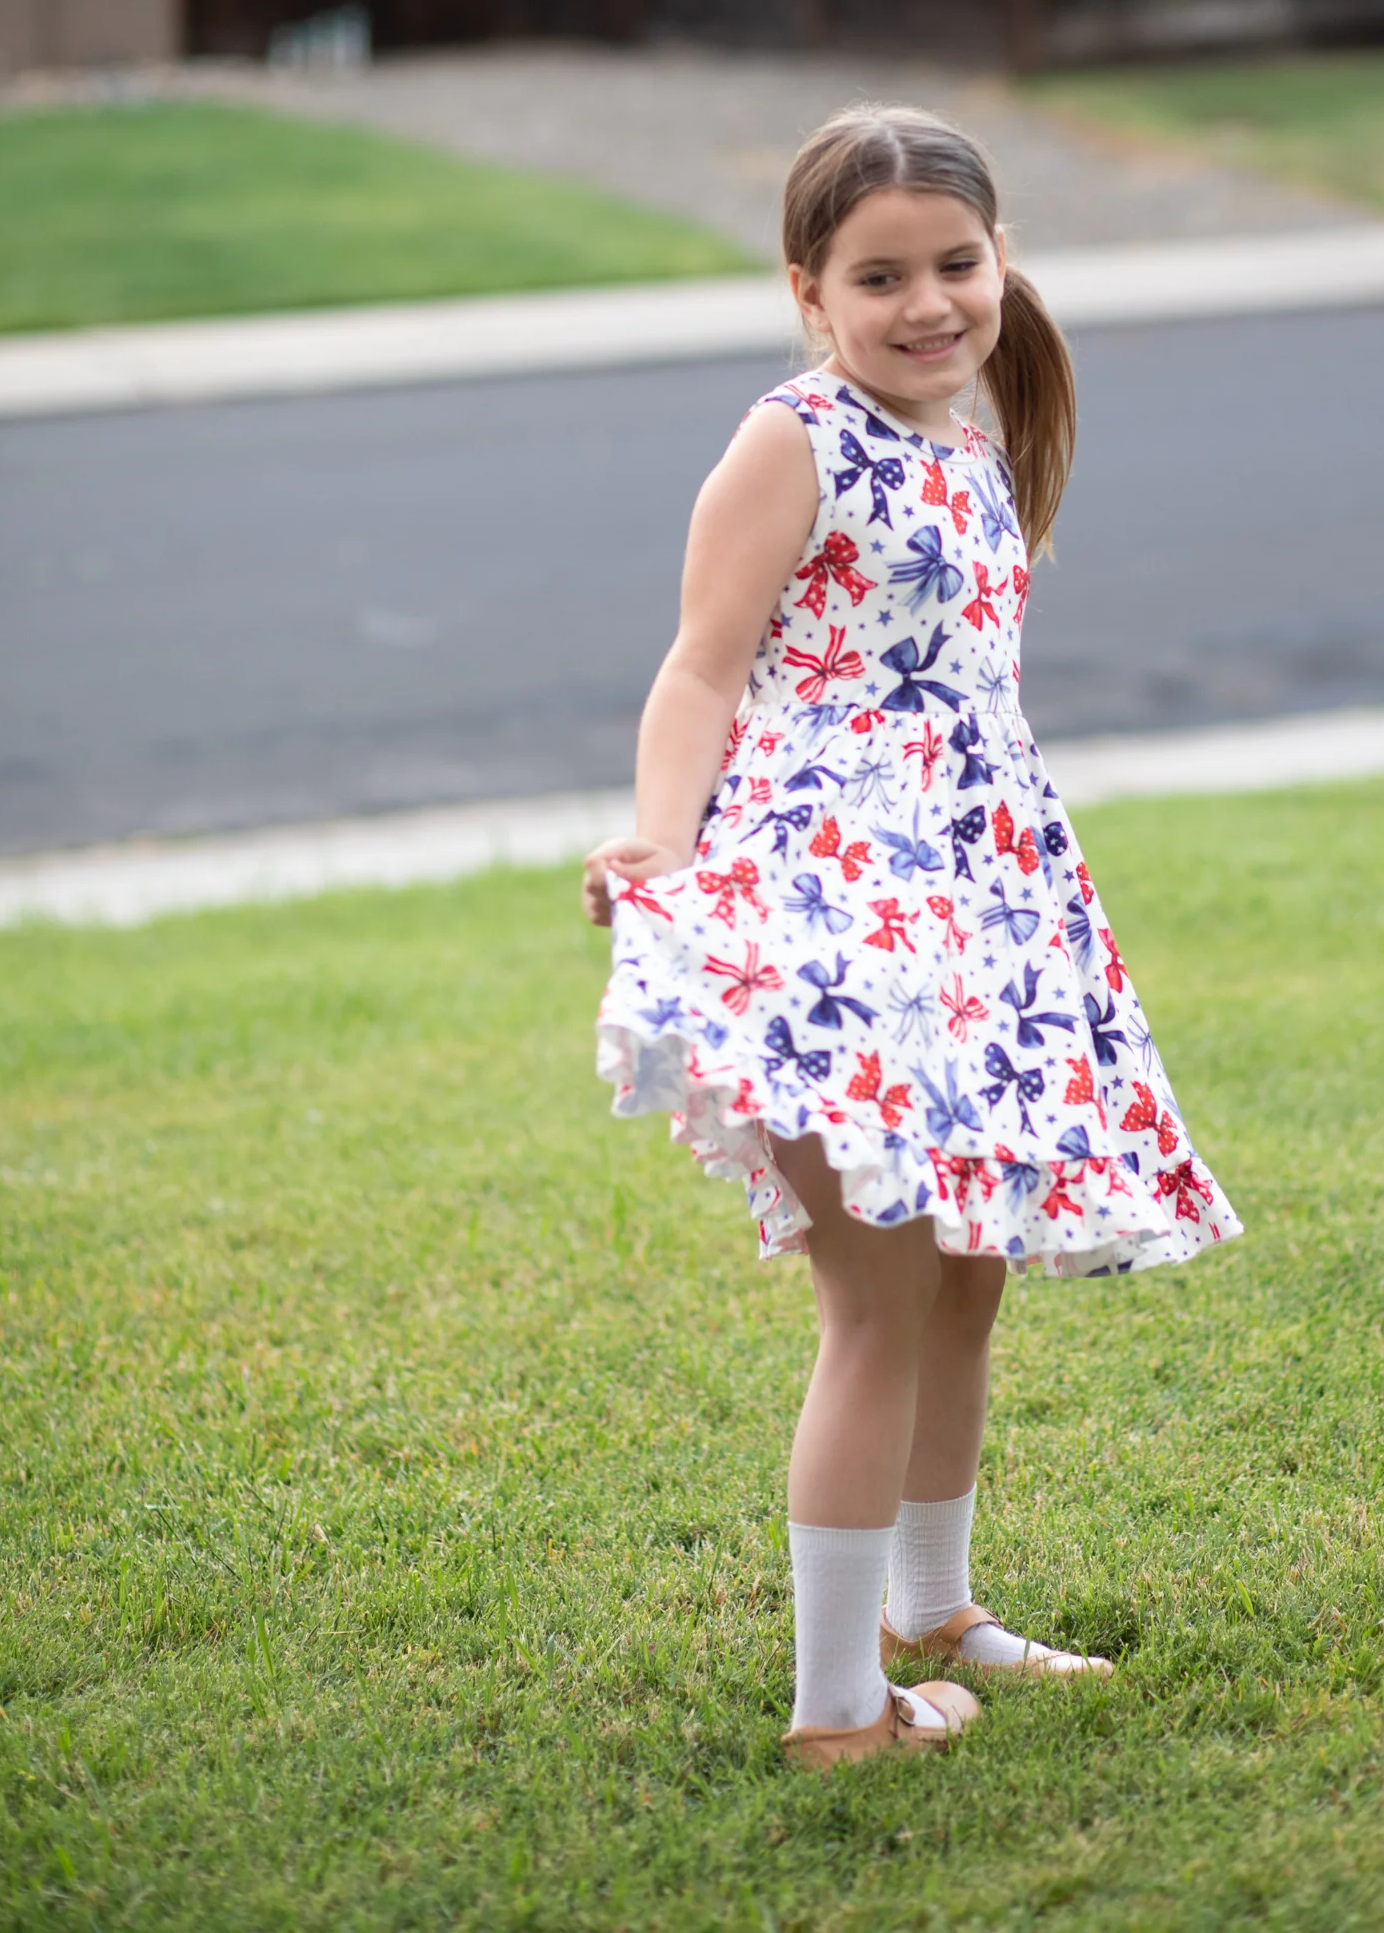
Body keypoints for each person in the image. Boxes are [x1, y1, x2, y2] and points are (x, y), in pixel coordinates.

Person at [583, 105, 1242, 1769]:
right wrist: (659, 837)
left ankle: (931, 1611)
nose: (928, 301)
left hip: (976, 918)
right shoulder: (791, 440)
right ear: (808, 290)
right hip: (833, 920)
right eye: (880, 276)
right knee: (876, 1308)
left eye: (956, 262)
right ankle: (837, 1711)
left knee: (965, 1280)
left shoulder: (972, 434)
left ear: (1002, 257)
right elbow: (700, 666)